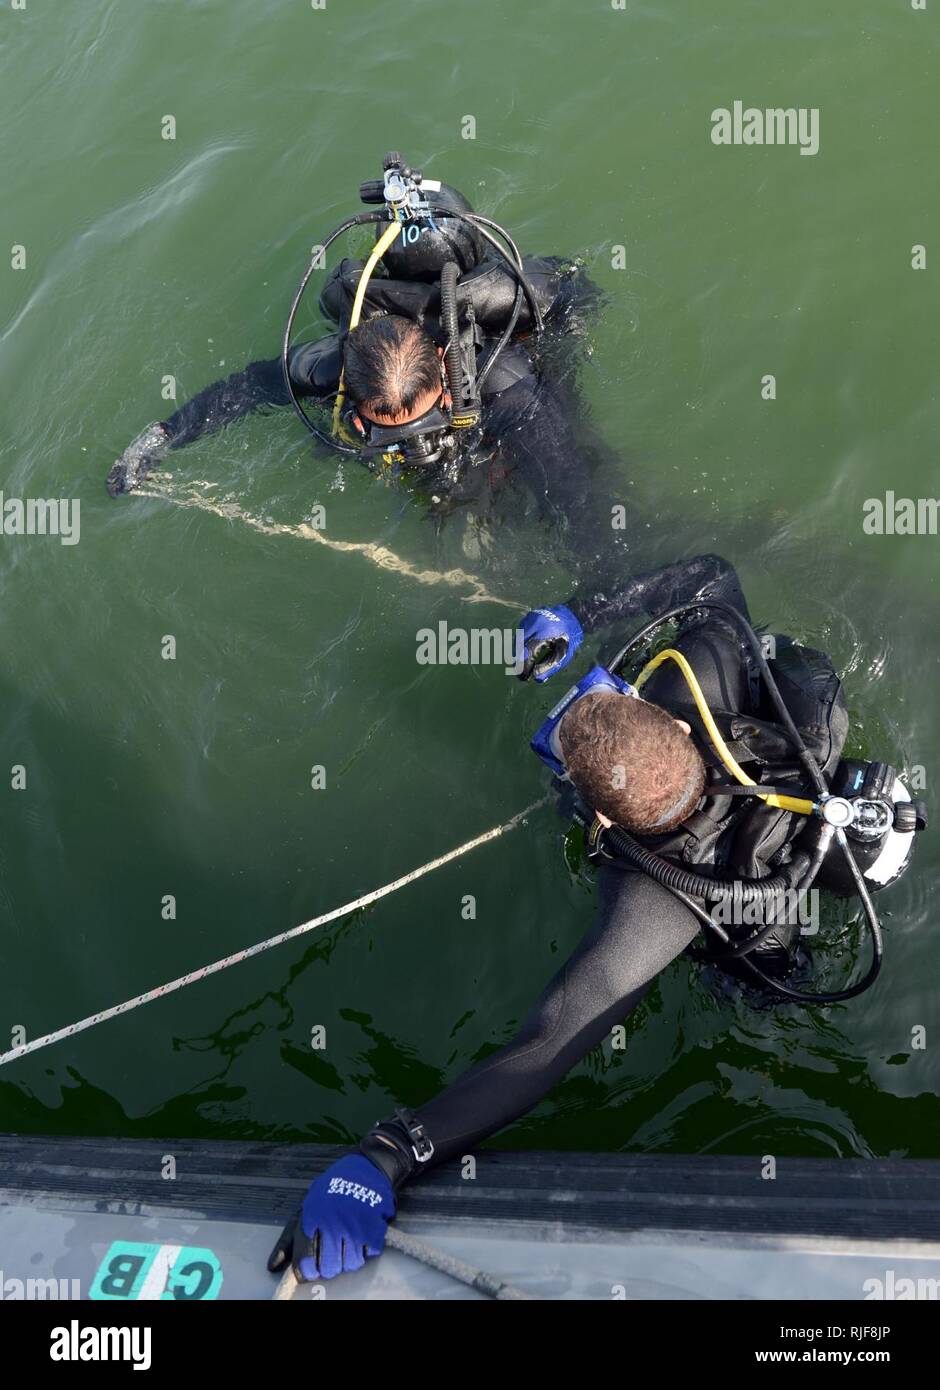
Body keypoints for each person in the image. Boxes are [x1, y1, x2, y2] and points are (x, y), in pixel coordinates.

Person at [267, 553, 924, 1283]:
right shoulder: (702, 670)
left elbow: (548, 1046)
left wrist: (386, 1155)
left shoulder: (650, 901)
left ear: (606, 815)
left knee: (750, 990)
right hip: (786, 854)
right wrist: (583, 610)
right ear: (673, 723)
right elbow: (707, 569)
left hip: (738, 933)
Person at [106, 156, 607, 545]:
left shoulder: (509, 385)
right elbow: (245, 388)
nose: (415, 447)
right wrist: (162, 436)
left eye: (421, 428)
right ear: (347, 387)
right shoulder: (326, 368)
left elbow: (577, 498)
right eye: (385, 433)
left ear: (450, 386)